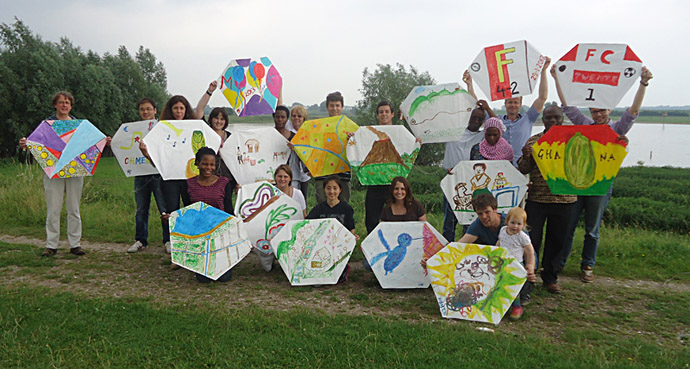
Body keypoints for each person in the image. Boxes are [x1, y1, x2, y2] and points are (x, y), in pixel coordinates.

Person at [551, 65, 654, 283]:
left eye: (602, 111)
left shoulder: (617, 129)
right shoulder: (584, 125)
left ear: (609, 111)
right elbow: (567, 106)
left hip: (600, 186)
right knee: (568, 227)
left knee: (592, 229)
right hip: (576, 185)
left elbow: (633, 111)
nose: (598, 115)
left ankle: (587, 265)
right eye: (594, 111)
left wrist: (643, 83)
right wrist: (556, 78)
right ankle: (558, 264)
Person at [18, 91, 105, 257]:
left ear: (71, 106)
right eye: (61, 102)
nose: (64, 105)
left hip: (75, 170)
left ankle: (75, 244)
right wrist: (25, 144)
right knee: (53, 208)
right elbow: (36, 144)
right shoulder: (47, 126)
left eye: (67, 102)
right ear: (55, 105)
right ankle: (51, 245)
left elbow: (92, 142)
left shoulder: (80, 127)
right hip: (53, 171)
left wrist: (103, 141)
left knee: (74, 208)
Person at [141, 82, 216, 253]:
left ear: (185, 109)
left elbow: (201, 109)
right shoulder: (162, 128)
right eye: (175, 108)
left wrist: (209, 91)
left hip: (191, 178)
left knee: (191, 209)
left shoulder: (193, 125)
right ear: (171, 110)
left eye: (182, 108)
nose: (179, 111)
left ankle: (192, 242)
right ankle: (173, 244)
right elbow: (158, 159)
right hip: (170, 179)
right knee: (172, 211)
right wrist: (146, 153)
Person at [517, 105, 576, 294]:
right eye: (548, 118)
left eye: (556, 117)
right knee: (531, 240)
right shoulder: (534, 141)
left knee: (558, 240)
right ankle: (529, 276)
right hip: (538, 199)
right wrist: (526, 156)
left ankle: (550, 278)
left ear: (562, 118)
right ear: (543, 120)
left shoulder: (573, 141)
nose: (552, 121)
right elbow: (524, 169)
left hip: (565, 200)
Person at [441, 72, 496, 242]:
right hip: (451, 179)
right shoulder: (453, 131)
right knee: (449, 220)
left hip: (471, 183)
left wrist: (486, 108)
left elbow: (499, 127)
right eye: (473, 117)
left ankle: (466, 248)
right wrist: (469, 86)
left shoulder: (482, 136)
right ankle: (447, 248)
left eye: (480, 119)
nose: (476, 120)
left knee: (469, 220)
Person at [481, 57, 551, 165]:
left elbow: (542, 97)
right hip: (500, 167)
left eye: (516, 102)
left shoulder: (528, 118)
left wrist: (543, 71)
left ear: (520, 104)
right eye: (510, 102)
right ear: (505, 104)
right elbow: (477, 107)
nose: (512, 105)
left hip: (522, 166)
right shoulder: (496, 121)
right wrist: (469, 85)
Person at [184, 147, 235, 282]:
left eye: (212, 164)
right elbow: (187, 211)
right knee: (204, 279)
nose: (209, 167)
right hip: (199, 234)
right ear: (197, 164)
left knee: (224, 278)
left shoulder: (224, 183)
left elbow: (229, 210)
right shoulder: (188, 184)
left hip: (219, 232)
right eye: (205, 163)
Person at [127, 98, 168, 253]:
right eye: (142, 109)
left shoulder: (161, 128)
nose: (145, 112)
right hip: (140, 173)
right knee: (141, 209)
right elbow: (124, 145)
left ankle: (168, 240)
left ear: (155, 110)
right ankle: (140, 240)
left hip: (159, 174)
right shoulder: (133, 130)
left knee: (164, 209)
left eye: (148, 109)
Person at [306, 175, 358, 283]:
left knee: (337, 278)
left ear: (340, 190)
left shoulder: (346, 208)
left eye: (335, 188)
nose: (332, 191)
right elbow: (307, 224)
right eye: (328, 188)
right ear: (324, 190)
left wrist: (352, 237)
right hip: (322, 245)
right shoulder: (318, 209)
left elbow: (351, 228)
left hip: (339, 245)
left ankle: (344, 267)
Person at [496, 207, 537, 320]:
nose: (515, 226)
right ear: (507, 221)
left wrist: (530, 265)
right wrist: (495, 251)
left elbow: (530, 251)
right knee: (501, 284)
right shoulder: (503, 230)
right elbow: (500, 241)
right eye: (512, 223)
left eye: (519, 224)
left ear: (523, 224)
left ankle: (517, 307)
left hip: (516, 265)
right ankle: (502, 305)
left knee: (514, 287)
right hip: (502, 263)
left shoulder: (522, 236)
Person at [313, 92, 352, 204]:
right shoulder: (319, 127)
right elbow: (312, 148)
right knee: (322, 205)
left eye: (337, 105)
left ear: (342, 107)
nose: (334, 108)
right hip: (322, 174)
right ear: (327, 107)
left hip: (343, 174)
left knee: (343, 205)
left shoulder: (349, 127)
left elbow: (356, 149)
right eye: (332, 105)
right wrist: (309, 167)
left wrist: (352, 140)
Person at [363, 100, 395, 234]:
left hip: (394, 184)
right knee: (371, 219)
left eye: (387, 111)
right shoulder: (369, 134)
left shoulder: (401, 133)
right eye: (381, 112)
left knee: (394, 218)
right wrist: (353, 139)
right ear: (377, 115)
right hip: (374, 183)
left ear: (392, 114)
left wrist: (417, 142)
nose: (384, 114)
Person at [206, 107, 238, 201]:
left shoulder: (230, 136)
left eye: (222, 119)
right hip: (209, 175)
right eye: (216, 118)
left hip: (228, 176)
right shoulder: (206, 134)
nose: (219, 121)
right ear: (211, 119)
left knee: (227, 202)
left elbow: (236, 158)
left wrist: (238, 181)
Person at [286, 105, 311, 198]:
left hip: (304, 173)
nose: (296, 118)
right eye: (294, 116)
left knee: (303, 198)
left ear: (304, 118)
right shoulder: (287, 126)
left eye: (299, 116)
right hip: (290, 171)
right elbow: (279, 109)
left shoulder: (309, 131)